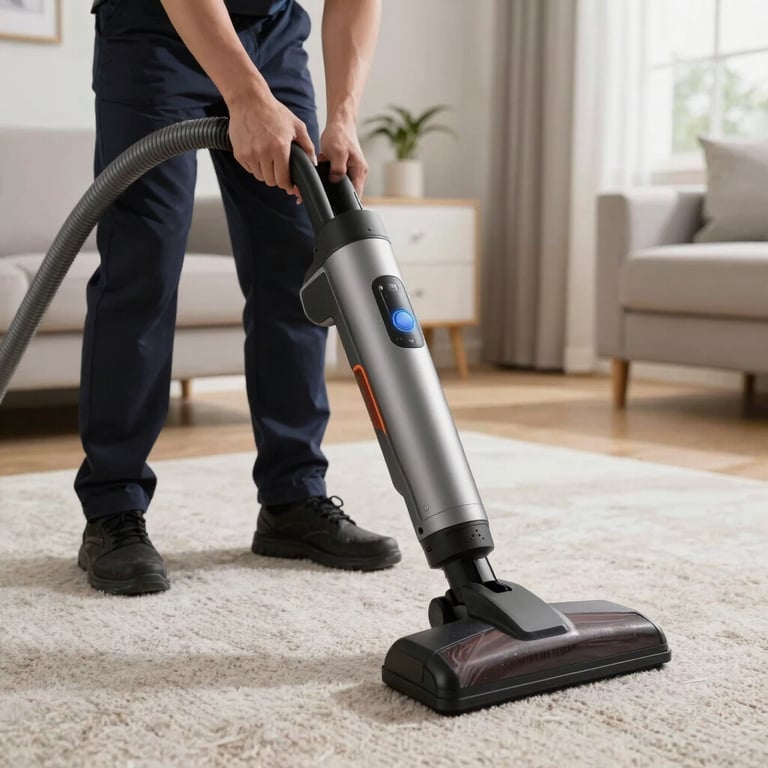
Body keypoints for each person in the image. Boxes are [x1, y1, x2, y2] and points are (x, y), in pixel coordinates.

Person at [77, 0, 401, 595]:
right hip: (155, 26)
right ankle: (111, 507)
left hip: (270, 32)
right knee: (142, 262)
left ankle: (293, 497)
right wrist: (245, 96)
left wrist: (344, 115)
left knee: (297, 261)